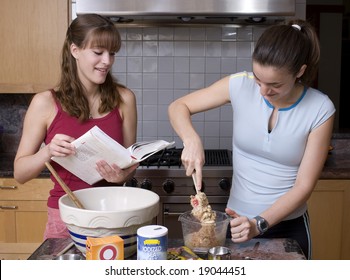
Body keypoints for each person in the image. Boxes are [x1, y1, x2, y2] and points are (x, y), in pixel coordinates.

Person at [168, 19, 335, 259]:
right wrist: (191, 139)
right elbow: (178, 106)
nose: (263, 91)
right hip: (236, 224)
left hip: (288, 228)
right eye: (258, 79)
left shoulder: (320, 108)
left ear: (300, 71)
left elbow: (304, 186)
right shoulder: (239, 85)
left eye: (275, 85)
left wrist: (259, 224)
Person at [14, 14, 138, 239]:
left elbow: (130, 164)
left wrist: (120, 176)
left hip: (113, 216)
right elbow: (20, 173)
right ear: (75, 50)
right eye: (98, 53)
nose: (107, 61)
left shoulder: (125, 99)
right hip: (65, 219)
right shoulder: (45, 103)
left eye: (112, 53)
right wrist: (48, 151)